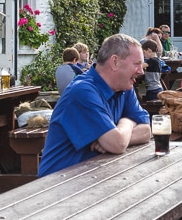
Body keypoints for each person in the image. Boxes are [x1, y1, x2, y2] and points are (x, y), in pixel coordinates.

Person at [38, 34, 151, 177]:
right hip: (55, 185)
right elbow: (117, 144)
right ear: (115, 62)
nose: (141, 71)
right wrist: (128, 122)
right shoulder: (82, 91)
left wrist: (121, 130)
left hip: (91, 176)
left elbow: (147, 131)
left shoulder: (124, 87)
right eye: (137, 64)